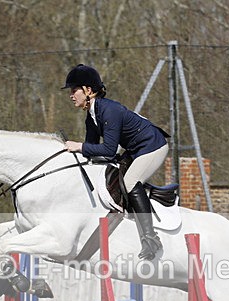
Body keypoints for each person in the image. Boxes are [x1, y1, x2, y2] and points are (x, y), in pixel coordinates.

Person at [62, 64, 169, 260]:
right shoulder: (92, 116)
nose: (71, 94)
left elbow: (108, 150)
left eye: (74, 89)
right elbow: (93, 152)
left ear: (89, 90)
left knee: (130, 183)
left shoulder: (109, 110)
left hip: (152, 146)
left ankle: (150, 239)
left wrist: (79, 146)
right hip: (134, 150)